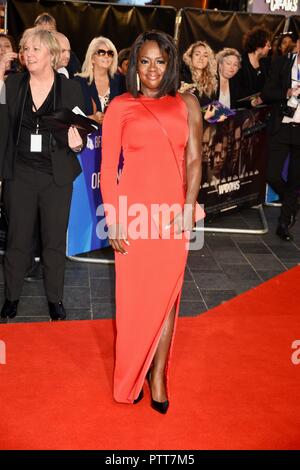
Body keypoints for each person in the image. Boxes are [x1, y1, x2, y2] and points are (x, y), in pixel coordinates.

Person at [100, 30, 202, 413]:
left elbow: (194, 160)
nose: (153, 69)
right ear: (134, 66)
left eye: (161, 61)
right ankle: (132, 370)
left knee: (166, 300)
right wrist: (114, 219)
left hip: (173, 216)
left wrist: (189, 207)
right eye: (145, 61)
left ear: (171, 64)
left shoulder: (187, 103)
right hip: (134, 217)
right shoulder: (120, 107)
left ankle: (158, 374)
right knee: (133, 302)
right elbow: (108, 168)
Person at [0, 28, 86, 321]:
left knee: (53, 242)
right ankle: (11, 298)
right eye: (26, 49)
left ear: (51, 54)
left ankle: (55, 300)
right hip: (19, 175)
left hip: (56, 177)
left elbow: (80, 131)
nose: (29, 54)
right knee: (17, 241)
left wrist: (79, 143)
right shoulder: (13, 85)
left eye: (36, 49)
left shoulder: (71, 89)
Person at [262, 38, 300, 241]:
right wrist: (286, 92)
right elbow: (267, 93)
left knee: (295, 180)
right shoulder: (282, 63)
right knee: (272, 174)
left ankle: (284, 224)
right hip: (282, 126)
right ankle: (292, 203)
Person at [75, 36, 126, 125]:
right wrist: (89, 118)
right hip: (87, 135)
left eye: (110, 53)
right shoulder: (78, 82)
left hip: (114, 133)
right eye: (101, 52)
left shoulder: (121, 80)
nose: (106, 56)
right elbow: (70, 116)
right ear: (92, 58)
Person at [33, 12, 81, 78]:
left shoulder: (70, 57)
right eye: (42, 32)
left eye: (49, 32)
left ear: (56, 32)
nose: (46, 36)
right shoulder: (31, 55)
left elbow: (77, 81)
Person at [237, 27, 271, 107]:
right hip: (243, 109)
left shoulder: (264, 63)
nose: (270, 48)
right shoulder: (240, 62)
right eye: (268, 45)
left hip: (260, 108)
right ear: (258, 47)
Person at [180, 40, 218, 107]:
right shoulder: (181, 77)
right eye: (197, 54)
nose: (201, 58)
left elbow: (211, 105)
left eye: (205, 56)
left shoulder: (212, 80)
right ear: (190, 57)